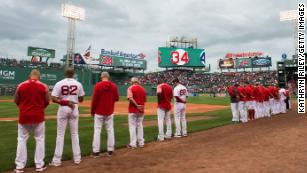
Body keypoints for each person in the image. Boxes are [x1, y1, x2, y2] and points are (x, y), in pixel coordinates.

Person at [14, 69, 49, 173]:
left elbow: (16, 100)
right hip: (38, 116)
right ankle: (39, 165)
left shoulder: (21, 85)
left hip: (24, 116)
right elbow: (47, 100)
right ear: (39, 76)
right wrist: (40, 108)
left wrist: (23, 108)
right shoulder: (44, 86)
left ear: (30, 76)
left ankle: (19, 167)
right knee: (39, 139)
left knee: (21, 140)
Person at [49, 68, 85, 166]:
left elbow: (53, 98)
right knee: (74, 133)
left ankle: (56, 161)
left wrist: (65, 101)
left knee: (60, 134)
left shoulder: (59, 83)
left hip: (63, 108)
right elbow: (81, 99)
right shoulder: (78, 84)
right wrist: (74, 98)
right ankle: (77, 158)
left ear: (65, 73)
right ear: (73, 74)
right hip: (74, 107)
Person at [91, 72, 119, 157]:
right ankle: (110, 150)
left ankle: (96, 152)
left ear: (101, 77)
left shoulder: (98, 85)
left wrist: (92, 111)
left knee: (97, 131)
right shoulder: (113, 86)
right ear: (108, 77)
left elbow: (94, 100)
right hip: (109, 111)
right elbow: (117, 98)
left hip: (99, 112)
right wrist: (110, 101)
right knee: (110, 130)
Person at [126, 77, 147, 148]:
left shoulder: (130, 88)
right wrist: (140, 106)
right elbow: (145, 100)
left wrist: (137, 105)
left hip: (133, 110)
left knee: (132, 127)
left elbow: (130, 98)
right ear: (137, 82)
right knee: (140, 126)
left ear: (132, 82)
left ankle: (133, 144)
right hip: (141, 110)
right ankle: (141, 143)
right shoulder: (143, 89)